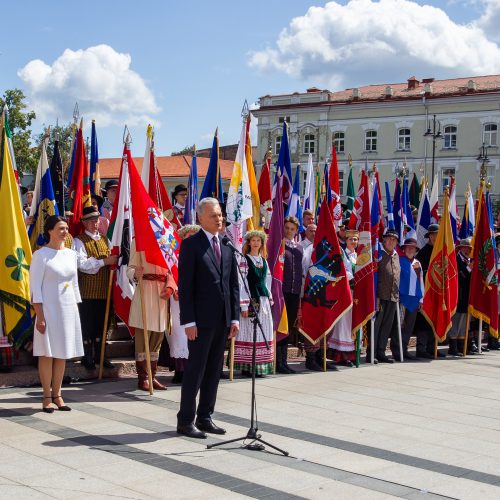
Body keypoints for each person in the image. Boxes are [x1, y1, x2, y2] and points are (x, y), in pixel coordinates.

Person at [177, 197, 239, 439]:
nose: (219, 219)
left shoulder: (226, 244)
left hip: (222, 319)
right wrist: (188, 321)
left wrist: (234, 318)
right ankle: (185, 420)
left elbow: (232, 284)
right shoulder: (192, 245)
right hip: (200, 322)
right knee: (196, 370)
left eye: (220, 215)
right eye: (214, 215)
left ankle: (205, 417)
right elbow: (186, 286)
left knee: (214, 370)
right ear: (201, 217)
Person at [30, 215, 83, 413]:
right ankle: (46, 396)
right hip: (48, 309)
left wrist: (75, 309)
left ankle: (58, 394)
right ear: (50, 231)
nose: (65, 231)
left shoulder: (71, 254)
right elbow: (35, 288)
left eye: (66, 228)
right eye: (60, 228)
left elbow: (75, 283)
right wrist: (40, 316)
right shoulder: (40, 255)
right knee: (47, 353)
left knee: (62, 353)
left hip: (67, 308)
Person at [127, 241, 176, 391]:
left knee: (157, 338)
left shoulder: (166, 242)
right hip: (146, 292)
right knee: (143, 339)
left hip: (161, 296)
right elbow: (129, 268)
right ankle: (143, 378)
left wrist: (170, 286)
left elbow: (172, 269)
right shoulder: (139, 241)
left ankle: (152, 376)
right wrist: (135, 273)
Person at [74, 206, 117, 370]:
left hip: (105, 291)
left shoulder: (106, 240)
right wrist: (104, 262)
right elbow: (83, 265)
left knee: (102, 326)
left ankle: (101, 356)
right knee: (88, 326)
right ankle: (88, 357)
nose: (94, 223)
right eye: (90, 220)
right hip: (87, 292)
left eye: (96, 220)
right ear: (84, 223)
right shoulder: (79, 241)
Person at [235, 230, 274, 378]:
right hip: (251, 298)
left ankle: (260, 366)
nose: (256, 243)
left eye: (259, 240)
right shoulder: (244, 260)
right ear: (249, 242)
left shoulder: (264, 261)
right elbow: (242, 282)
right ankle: (247, 366)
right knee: (249, 331)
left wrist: (269, 299)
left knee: (263, 330)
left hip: (262, 300)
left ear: (262, 243)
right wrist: (244, 305)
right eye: (253, 240)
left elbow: (267, 281)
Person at [166, 224, 201, 383]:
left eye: (195, 235)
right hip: (177, 299)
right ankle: (179, 369)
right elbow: (169, 274)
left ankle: (192, 369)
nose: (191, 238)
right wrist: (174, 288)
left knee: (192, 334)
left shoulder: (200, 255)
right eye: (189, 235)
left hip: (195, 300)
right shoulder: (173, 255)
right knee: (178, 334)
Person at [368, 228, 400, 364]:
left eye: (394, 240)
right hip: (379, 295)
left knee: (387, 326)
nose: (391, 241)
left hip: (393, 296)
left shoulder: (396, 255)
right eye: (389, 239)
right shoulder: (379, 254)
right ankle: (372, 352)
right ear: (384, 240)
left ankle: (381, 352)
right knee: (376, 326)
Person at [328, 229, 358, 367]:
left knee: (354, 322)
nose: (353, 242)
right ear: (346, 240)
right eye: (351, 239)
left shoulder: (359, 255)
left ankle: (353, 352)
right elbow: (343, 270)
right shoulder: (343, 254)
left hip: (357, 293)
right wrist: (353, 277)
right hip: (347, 291)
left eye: (355, 239)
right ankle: (342, 354)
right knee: (344, 323)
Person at [391, 237, 424, 361]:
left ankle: (404, 349)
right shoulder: (399, 261)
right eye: (408, 247)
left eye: (413, 248)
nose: (410, 250)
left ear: (416, 250)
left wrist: (421, 299)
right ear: (404, 249)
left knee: (409, 326)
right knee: (399, 325)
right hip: (402, 298)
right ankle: (396, 351)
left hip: (414, 298)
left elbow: (421, 281)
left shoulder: (417, 263)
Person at [278, 216, 303, 374]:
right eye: (287, 228)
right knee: (281, 327)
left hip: (294, 292)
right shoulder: (280, 245)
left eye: (292, 229)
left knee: (288, 330)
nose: (289, 231)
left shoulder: (299, 248)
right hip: (282, 291)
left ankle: (284, 361)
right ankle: (278, 361)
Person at [415, 223, 441, 358]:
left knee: (435, 319)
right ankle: (421, 348)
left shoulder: (440, 252)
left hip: (437, 291)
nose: (436, 237)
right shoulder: (423, 252)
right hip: (425, 292)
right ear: (430, 236)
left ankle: (433, 347)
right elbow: (419, 272)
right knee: (424, 321)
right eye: (435, 235)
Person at [448, 238, 473, 356]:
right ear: (460, 248)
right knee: (456, 320)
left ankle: (461, 346)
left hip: (467, 296)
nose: (466, 249)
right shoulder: (456, 259)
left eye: (468, 248)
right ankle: (452, 347)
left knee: (464, 322)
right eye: (464, 247)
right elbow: (460, 276)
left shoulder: (469, 260)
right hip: (458, 294)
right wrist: (469, 268)